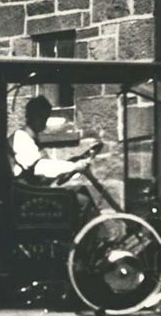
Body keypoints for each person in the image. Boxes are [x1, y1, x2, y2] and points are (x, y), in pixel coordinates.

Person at [10, 95, 97, 225]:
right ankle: (77, 241)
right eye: (41, 118)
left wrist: (72, 165)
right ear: (31, 116)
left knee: (80, 190)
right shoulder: (21, 137)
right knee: (83, 200)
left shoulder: (31, 138)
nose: (44, 123)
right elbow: (40, 167)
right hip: (28, 194)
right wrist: (73, 166)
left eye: (45, 118)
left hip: (34, 190)